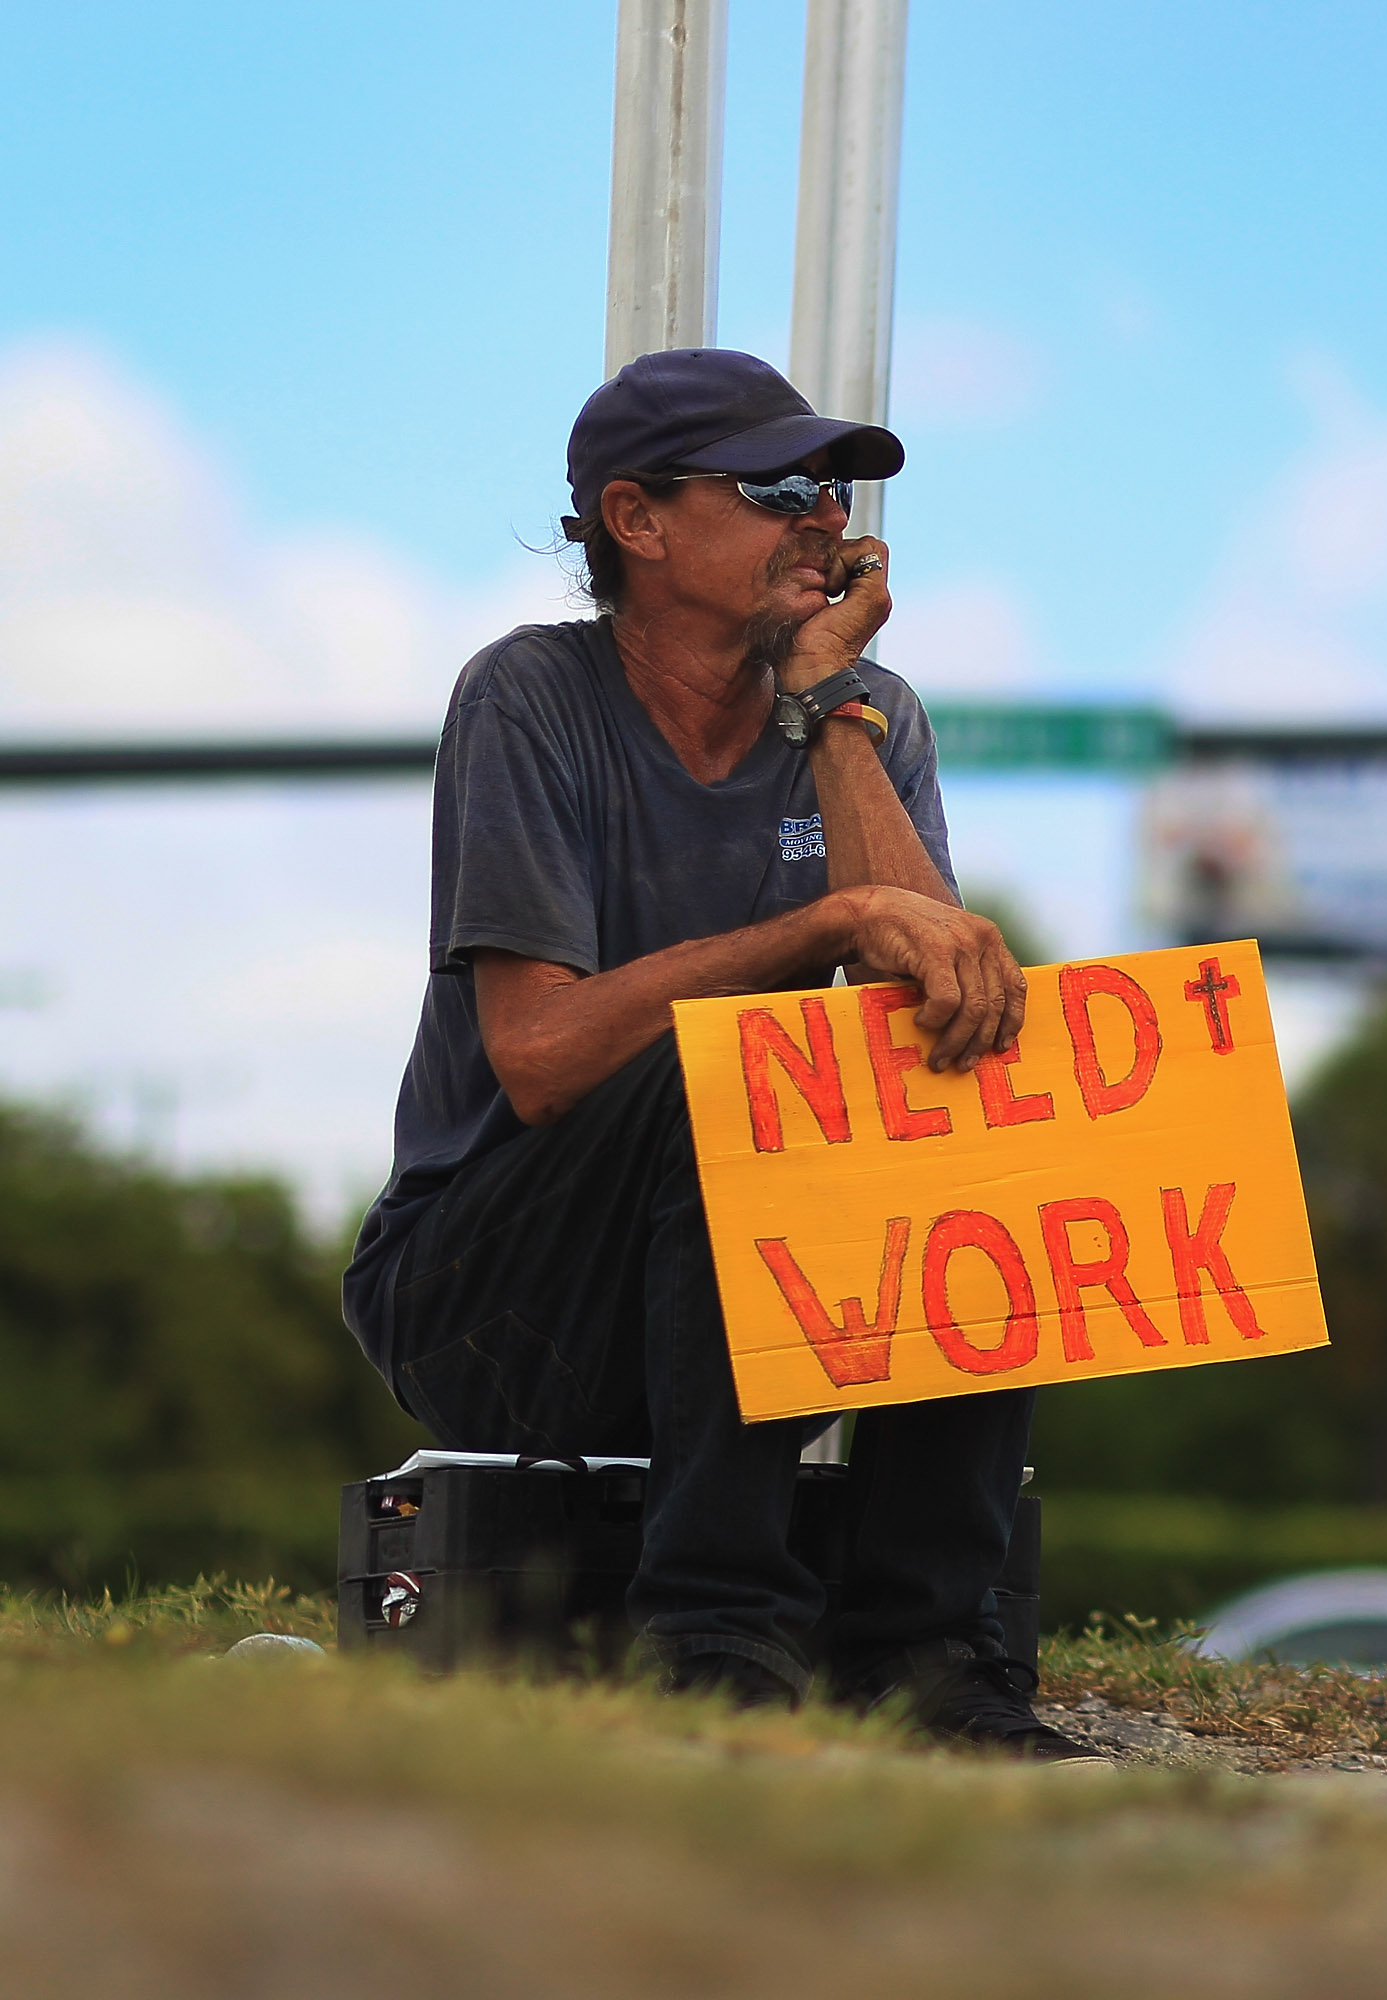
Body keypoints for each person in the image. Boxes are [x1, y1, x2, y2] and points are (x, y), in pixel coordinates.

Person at [342, 348, 1092, 1757]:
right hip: (487, 1291)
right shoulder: (528, 699)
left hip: (736, 1289)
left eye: (830, 491)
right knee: (731, 1064)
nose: (824, 520)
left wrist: (829, 713)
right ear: (637, 522)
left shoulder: (869, 714)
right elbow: (545, 1058)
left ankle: (929, 1652)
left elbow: (923, 983)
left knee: (965, 1071)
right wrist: (827, 919)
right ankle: (715, 1635)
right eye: (776, 490)